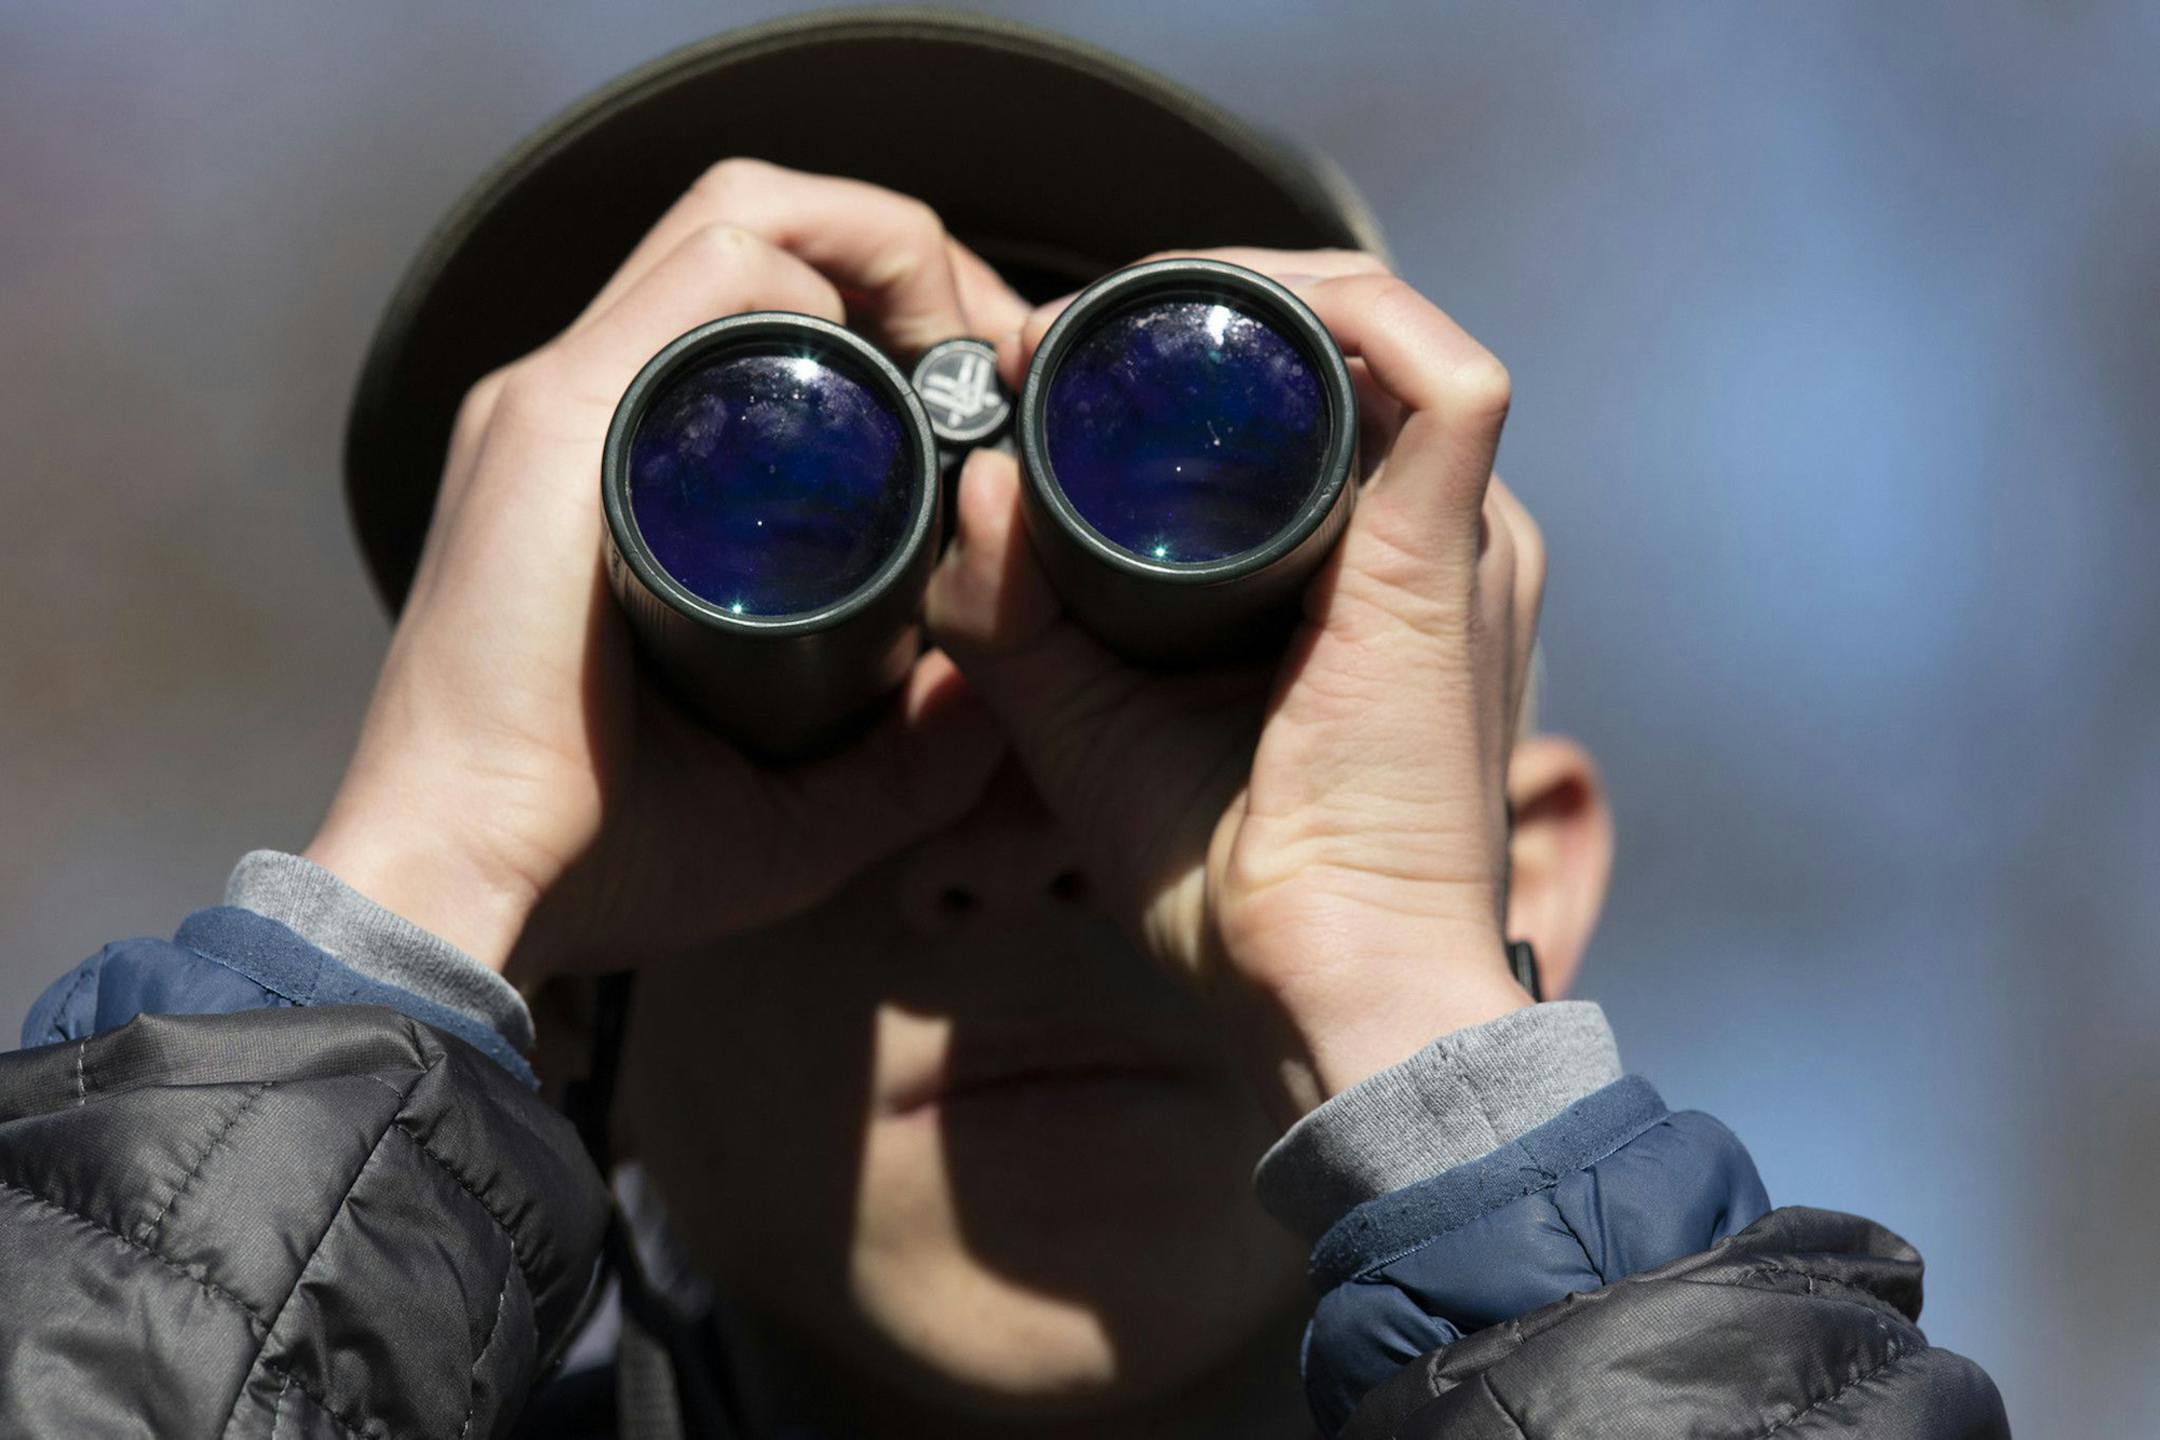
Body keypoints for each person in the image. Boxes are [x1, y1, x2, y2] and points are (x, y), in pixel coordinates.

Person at [0, 16, 2008, 1440]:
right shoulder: (502, 920)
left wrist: (1442, 1068)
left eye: (1200, 683)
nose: (1009, 841)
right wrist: (427, 880)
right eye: (815, 721)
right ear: (574, 978)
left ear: (1527, 876)